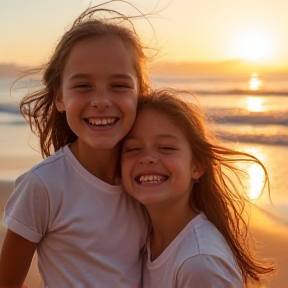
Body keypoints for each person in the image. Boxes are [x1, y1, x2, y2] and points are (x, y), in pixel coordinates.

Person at [0, 2, 152, 287]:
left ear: (139, 94)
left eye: (119, 85)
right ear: (60, 98)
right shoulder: (44, 185)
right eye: (83, 86)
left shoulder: (148, 180)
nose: (101, 101)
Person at [121, 88, 275, 288]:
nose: (148, 158)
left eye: (166, 147)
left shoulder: (199, 264)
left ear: (198, 165)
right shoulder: (141, 236)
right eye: (133, 149)